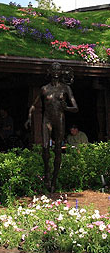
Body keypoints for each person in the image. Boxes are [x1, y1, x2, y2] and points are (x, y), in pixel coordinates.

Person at [25, 62, 79, 192]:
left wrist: (67, 108)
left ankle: (54, 180)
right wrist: (29, 117)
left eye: (58, 69)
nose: (56, 71)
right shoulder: (44, 89)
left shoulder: (65, 88)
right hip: (47, 119)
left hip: (59, 119)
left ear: (61, 72)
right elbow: (34, 104)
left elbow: (76, 108)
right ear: (50, 71)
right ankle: (47, 175)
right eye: (53, 69)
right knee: (45, 148)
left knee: (58, 149)